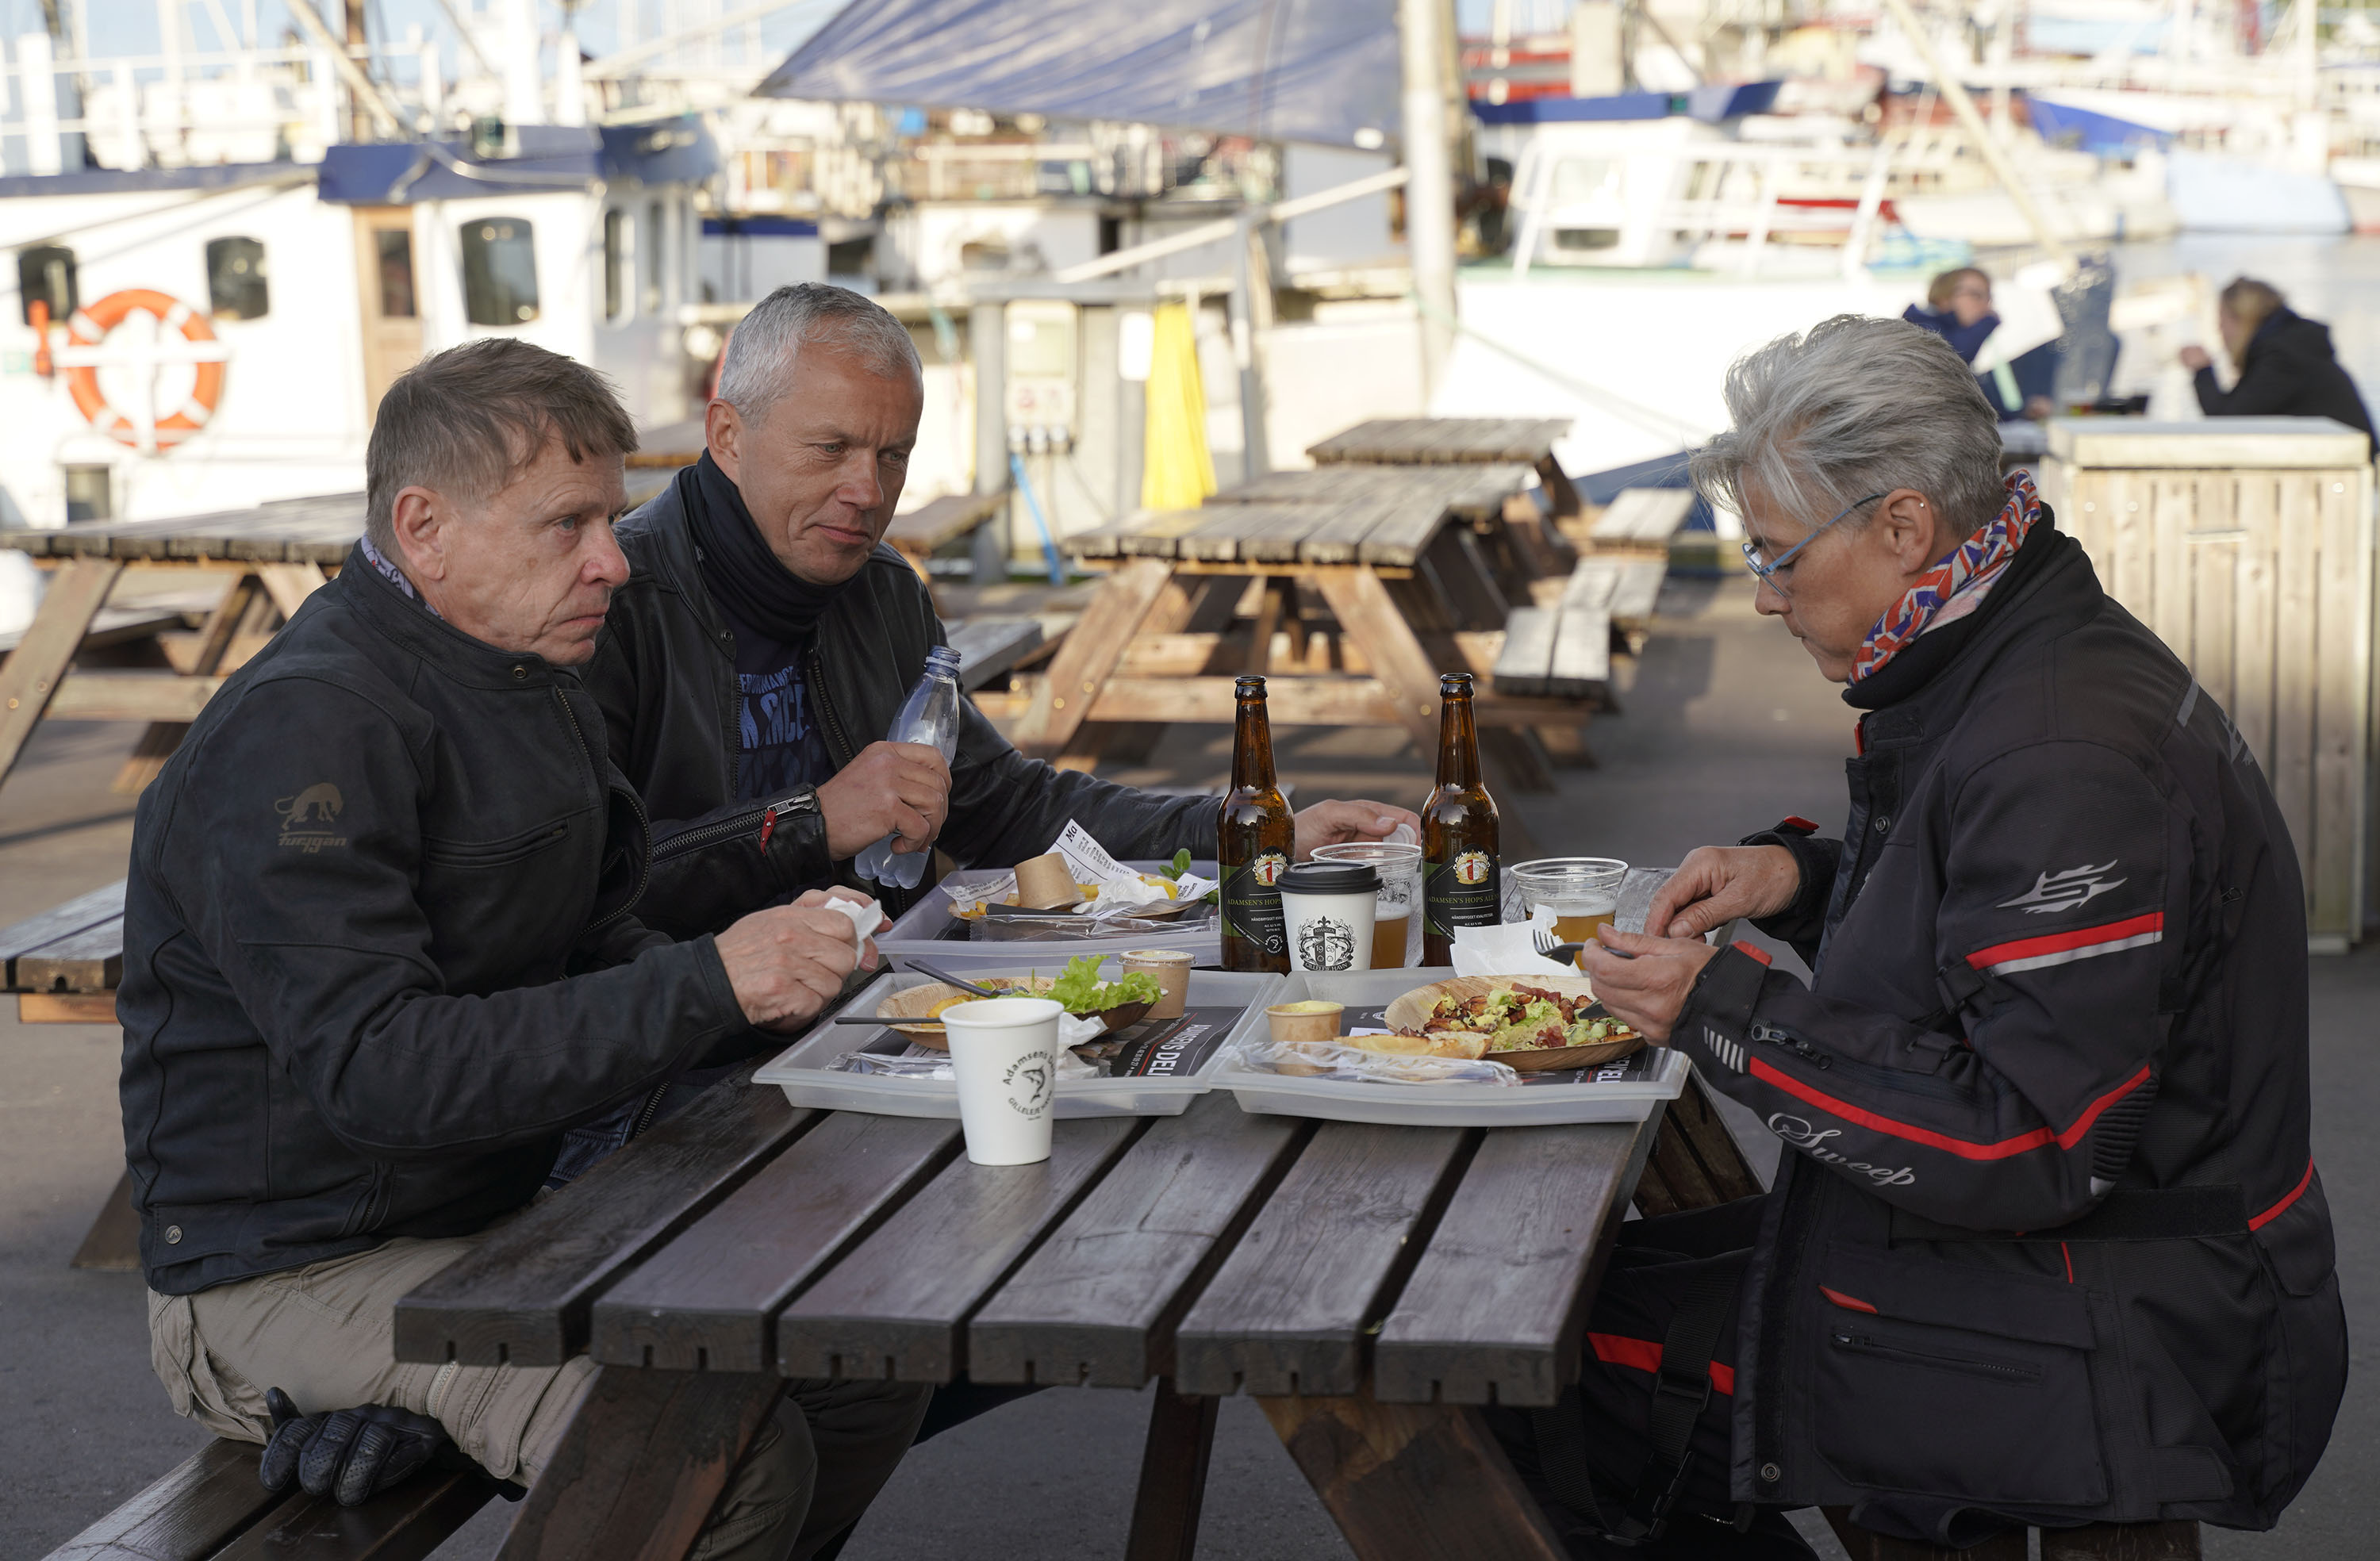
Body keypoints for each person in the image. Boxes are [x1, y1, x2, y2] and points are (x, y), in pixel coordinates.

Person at [1490, 315, 2344, 1556]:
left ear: (1902, 526)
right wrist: (1802, 879)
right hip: (2085, 1259)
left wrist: (1720, 1011)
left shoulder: (2059, 746)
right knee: (1565, 1303)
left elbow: (2026, 1143)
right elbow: (1993, 929)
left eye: (1779, 556)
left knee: (1526, 1362)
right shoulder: (2016, 641)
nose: (1764, 594)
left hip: (2119, 1314)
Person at [119, 339, 929, 1558]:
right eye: (568, 524)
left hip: (498, 1215)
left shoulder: (520, 674)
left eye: (611, 517)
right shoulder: (304, 730)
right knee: (704, 1464)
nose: (614, 559)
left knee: (857, 1342)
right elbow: (380, 1071)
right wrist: (710, 979)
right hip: (283, 1272)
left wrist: (788, 989)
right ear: (424, 529)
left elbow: (599, 942)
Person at [582, 281, 1416, 945]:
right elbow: (584, 893)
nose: (867, 491)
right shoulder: (605, 602)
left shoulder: (883, 589)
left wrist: (1254, 830)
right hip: (683, 1066)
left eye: (893, 455)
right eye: (830, 449)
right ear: (728, 436)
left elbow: (1009, 808)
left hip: (870, 1006)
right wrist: (813, 823)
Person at [2181, 277, 2375, 453]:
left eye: (2222, 320)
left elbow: (2229, 422)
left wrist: (2202, 370)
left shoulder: (2284, 361)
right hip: (2347, 464)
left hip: (2351, 472)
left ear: (2241, 319)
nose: (2219, 330)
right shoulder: (2290, 348)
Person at [1902, 266, 2057, 422]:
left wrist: (2023, 412)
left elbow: (1975, 406)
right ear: (1944, 297)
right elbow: (1953, 356)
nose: (1986, 305)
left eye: (1989, 297)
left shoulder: (1956, 334)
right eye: (1976, 295)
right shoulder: (1918, 330)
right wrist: (1987, 323)